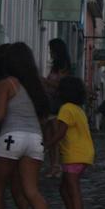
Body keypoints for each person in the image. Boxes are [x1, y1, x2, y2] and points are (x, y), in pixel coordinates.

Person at [0, 43, 56, 209]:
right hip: (35, 140)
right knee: (31, 190)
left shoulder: (7, 83)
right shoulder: (35, 86)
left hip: (11, 137)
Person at [45, 77, 94, 209]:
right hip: (83, 153)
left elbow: (60, 133)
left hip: (74, 154)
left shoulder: (65, 109)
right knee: (65, 189)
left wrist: (46, 144)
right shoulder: (78, 109)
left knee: (73, 190)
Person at [43, 38, 72, 178]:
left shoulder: (63, 66)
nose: (50, 53)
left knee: (56, 135)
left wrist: (45, 82)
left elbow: (62, 85)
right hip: (49, 104)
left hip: (57, 105)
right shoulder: (55, 67)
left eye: (52, 50)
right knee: (49, 135)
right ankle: (53, 164)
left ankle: (59, 165)